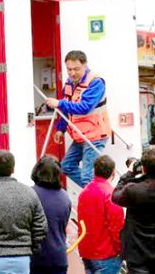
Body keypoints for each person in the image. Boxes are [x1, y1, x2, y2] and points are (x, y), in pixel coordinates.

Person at [76, 155, 125, 274]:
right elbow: (116, 226)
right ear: (113, 173)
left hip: (87, 248)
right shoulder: (110, 194)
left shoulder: (85, 192)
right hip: (106, 251)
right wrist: (121, 249)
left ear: (94, 170)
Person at [45, 50, 111, 188]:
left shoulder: (96, 83)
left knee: (88, 176)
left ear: (85, 66)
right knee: (66, 166)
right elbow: (66, 108)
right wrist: (60, 129)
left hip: (95, 135)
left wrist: (58, 103)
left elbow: (84, 107)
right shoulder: (69, 83)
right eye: (69, 69)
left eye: (76, 69)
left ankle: (96, 197)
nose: (72, 73)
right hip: (80, 135)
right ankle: (99, 191)